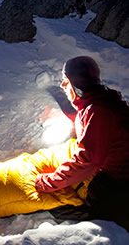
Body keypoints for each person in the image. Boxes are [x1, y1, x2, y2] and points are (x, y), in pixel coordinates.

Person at [35, 56, 129, 227]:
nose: (63, 85)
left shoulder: (99, 112)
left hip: (122, 185)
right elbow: (82, 117)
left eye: (66, 81)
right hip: (119, 177)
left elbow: (85, 162)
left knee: (71, 209)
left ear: (76, 83)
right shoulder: (101, 100)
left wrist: (47, 182)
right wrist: (59, 97)